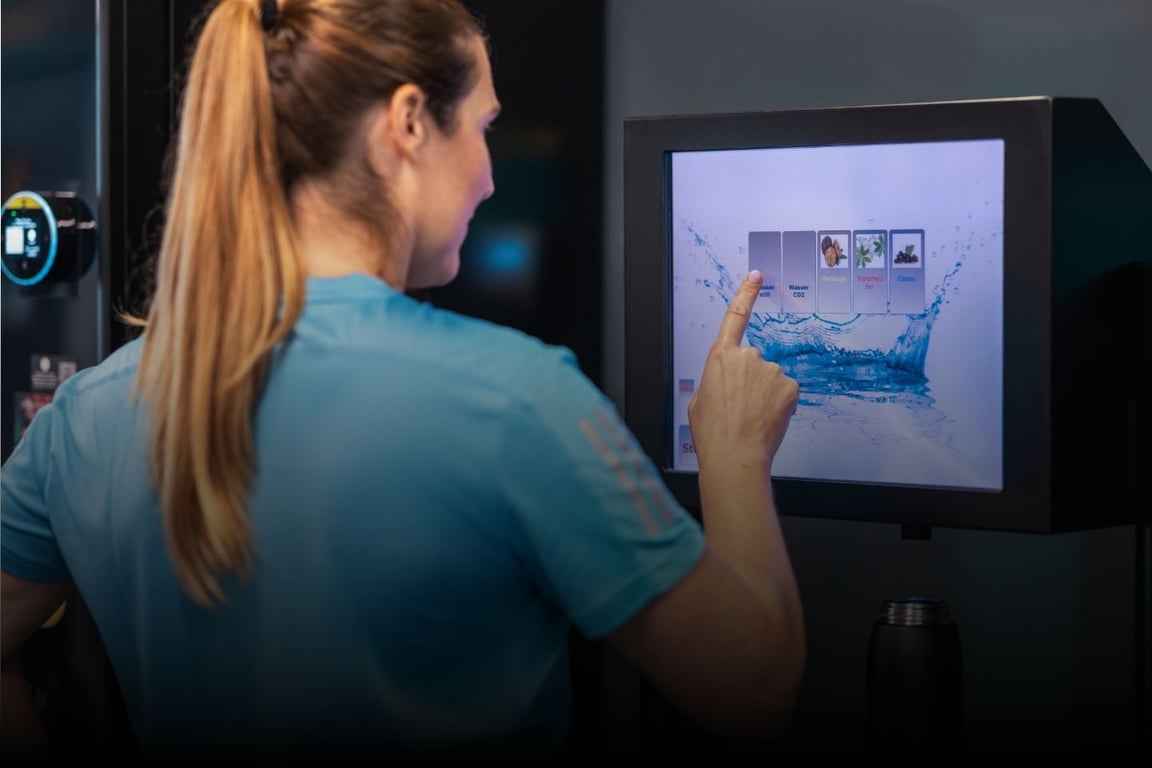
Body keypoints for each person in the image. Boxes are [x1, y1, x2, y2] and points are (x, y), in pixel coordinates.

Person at [0, 0, 804, 761]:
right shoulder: (514, 400)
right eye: (484, 127)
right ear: (409, 123)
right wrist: (733, 454)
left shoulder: (85, 415)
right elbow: (751, 688)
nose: (490, 177)